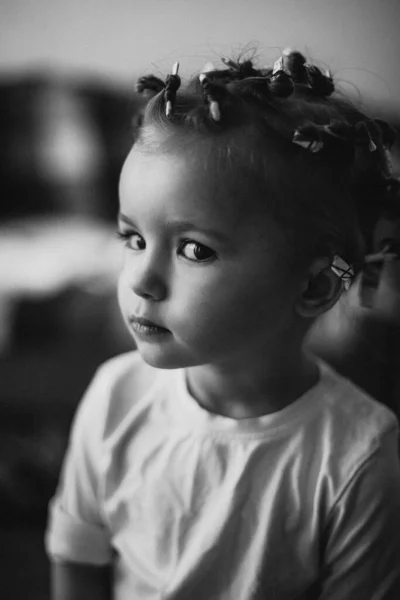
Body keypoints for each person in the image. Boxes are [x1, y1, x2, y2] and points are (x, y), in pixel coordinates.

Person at [45, 48, 400, 599]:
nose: (142, 279)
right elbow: (77, 550)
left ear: (313, 286)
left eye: (194, 249)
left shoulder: (359, 458)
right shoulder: (115, 397)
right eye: (133, 239)